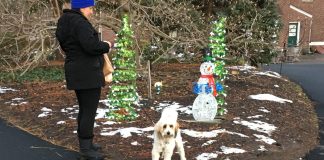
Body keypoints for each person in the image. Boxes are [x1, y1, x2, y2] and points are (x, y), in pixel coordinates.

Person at [55, 0, 113, 159]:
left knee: (84, 109)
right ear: (81, 7)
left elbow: (70, 45)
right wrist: (106, 45)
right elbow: (91, 46)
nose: (91, 11)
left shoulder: (64, 21)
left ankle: (86, 143)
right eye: (89, 8)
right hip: (87, 73)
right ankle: (86, 149)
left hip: (76, 71)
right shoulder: (80, 23)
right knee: (89, 110)